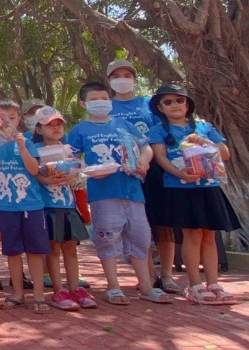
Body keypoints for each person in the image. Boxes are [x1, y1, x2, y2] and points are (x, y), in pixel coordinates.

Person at [68, 82, 172, 306]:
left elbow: (146, 147)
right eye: (94, 99)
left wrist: (144, 159)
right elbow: (71, 159)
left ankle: (146, 287)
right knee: (107, 239)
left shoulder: (124, 125)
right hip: (103, 193)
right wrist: (86, 170)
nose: (100, 103)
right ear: (83, 104)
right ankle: (113, 287)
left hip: (133, 191)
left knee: (141, 239)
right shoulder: (79, 130)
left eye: (104, 98)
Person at [147, 84, 240, 305]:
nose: (175, 105)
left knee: (209, 235)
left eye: (179, 100)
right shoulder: (158, 130)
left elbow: (225, 153)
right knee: (192, 234)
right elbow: (160, 157)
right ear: (160, 107)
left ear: (187, 104)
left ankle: (214, 283)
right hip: (180, 188)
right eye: (168, 102)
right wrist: (179, 173)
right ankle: (195, 284)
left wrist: (205, 142)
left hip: (208, 186)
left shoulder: (203, 127)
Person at [107, 59, 180, 295]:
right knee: (140, 225)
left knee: (163, 222)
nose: (122, 79)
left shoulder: (148, 105)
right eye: (116, 76)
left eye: (127, 75)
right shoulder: (107, 107)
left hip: (156, 168)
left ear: (135, 79)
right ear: (109, 81)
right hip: (124, 173)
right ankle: (148, 275)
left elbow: (163, 133)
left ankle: (167, 275)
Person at [31, 106, 96, 311]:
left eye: (59, 124)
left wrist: (74, 174)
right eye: (49, 125)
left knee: (70, 248)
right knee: (53, 249)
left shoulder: (69, 149)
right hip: (47, 206)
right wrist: (46, 177)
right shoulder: (34, 150)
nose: (56, 128)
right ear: (39, 129)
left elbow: (79, 174)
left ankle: (75, 288)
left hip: (68, 205)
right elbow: (33, 173)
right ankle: (58, 290)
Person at [0, 116, 50, 314]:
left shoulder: (26, 142)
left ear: (17, 119)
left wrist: (22, 147)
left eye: (11, 117)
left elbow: (34, 169)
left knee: (35, 251)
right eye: (0, 117)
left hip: (32, 205)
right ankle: (17, 293)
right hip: (6, 206)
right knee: (12, 251)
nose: (5, 122)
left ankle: (39, 295)